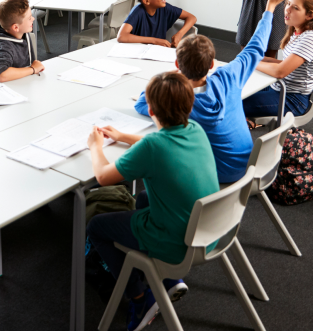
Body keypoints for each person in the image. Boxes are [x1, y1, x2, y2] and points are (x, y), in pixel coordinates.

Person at [86, 72, 219, 331]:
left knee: (96, 227)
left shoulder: (153, 148)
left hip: (180, 245)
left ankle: (140, 297)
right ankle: (169, 281)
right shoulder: (196, 129)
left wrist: (95, 147)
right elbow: (158, 143)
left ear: (150, 109)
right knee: (145, 198)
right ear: (190, 106)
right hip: (211, 230)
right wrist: (124, 136)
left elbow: (103, 177)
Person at [134, 0, 289, 183]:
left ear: (176, 64)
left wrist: (164, 80)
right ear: (212, 65)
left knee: (165, 154)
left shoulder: (178, 101)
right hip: (249, 165)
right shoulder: (229, 76)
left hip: (218, 175)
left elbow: (141, 105)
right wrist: (270, 8)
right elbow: (256, 47)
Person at [243, 0, 313, 123]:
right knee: (235, 89)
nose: (287, 10)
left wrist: (251, 62)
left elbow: (280, 72)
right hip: (279, 87)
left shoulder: (311, 38)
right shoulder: (297, 32)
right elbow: (288, 64)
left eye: (295, 8)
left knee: (234, 103)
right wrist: (262, 59)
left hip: (292, 99)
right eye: (288, 4)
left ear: (310, 15)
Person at [118, 0, 197, 48]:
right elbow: (121, 36)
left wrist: (179, 34)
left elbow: (192, 17)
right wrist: (154, 41)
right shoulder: (138, 11)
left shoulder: (165, 8)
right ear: (146, 1)